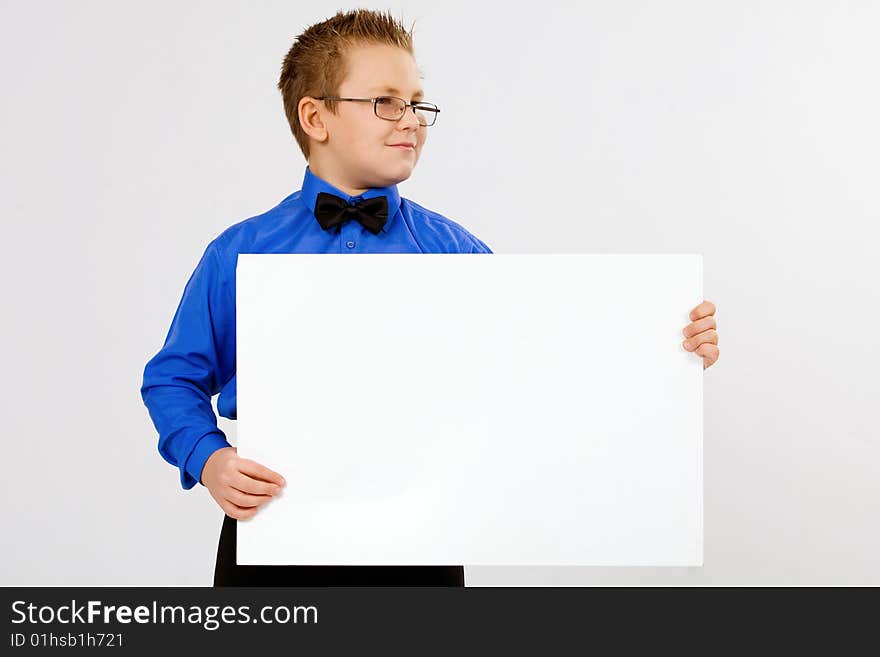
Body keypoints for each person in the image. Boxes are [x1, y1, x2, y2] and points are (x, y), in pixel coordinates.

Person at [140, 8, 721, 588]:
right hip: (275, 535)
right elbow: (173, 378)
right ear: (315, 116)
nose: (410, 120)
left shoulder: (454, 252)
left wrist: (668, 346)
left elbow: (543, 364)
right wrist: (210, 460)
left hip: (423, 542)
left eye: (418, 103)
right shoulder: (240, 252)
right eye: (386, 102)